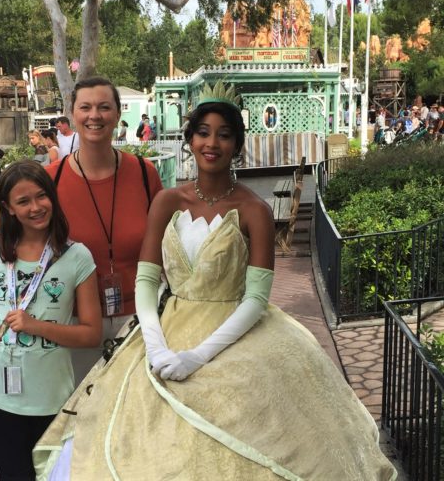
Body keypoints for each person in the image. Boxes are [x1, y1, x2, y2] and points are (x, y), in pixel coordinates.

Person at [32, 83, 397, 480]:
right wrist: (155, 345)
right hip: (166, 327)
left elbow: (256, 298)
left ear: (237, 145)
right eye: (203, 132)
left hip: (234, 331)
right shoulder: (167, 201)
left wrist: (198, 356)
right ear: (189, 140)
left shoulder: (253, 210)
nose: (212, 142)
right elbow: (147, 278)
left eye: (224, 134)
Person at [0, 78, 163, 378]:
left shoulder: (143, 173)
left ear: (116, 115)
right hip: (70, 319)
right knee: (78, 414)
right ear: (72, 114)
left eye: (104, 107)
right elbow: (22, 232)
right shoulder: (51, 179)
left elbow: (165, 241)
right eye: (85, 107)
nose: (94, 115)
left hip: (139, 315)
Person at [0, 160, 102, 480]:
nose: (35, 207)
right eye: (23, 201)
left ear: (52, 196)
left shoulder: (77, 258)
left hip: (53, 400)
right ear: (8, 208)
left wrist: (35, 325)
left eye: (41, 196)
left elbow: (92, 334)